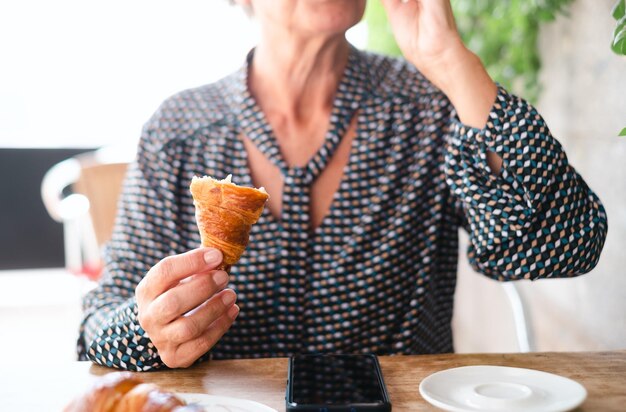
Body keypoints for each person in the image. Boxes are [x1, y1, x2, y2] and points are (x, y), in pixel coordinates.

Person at [78, 0, 607, 371]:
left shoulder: (427, 109)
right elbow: (97, 330)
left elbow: (562, 246)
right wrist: (148, 331)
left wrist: (451, 62)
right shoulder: (178, 132)